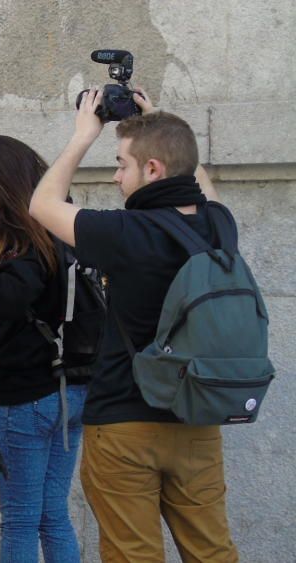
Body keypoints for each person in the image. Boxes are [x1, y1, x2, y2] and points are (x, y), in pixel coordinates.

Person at [29, 88, 239, 562]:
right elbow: (199, 185)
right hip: (198, 420)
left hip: (125, 423)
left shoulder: (124, 231)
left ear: (152, 170)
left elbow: (41, 204)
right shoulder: (219, 226)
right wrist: (159, 123)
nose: (116, 175)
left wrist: (85, 134)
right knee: (213, 552)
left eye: (122, 164)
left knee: (133, 554)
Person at [0, 136, 87, 562]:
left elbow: (11, 293)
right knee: (53, 515)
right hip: (73, 389)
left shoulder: (17, 224)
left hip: (28, 393)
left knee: (22, 519)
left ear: (2, 183)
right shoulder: (63, 216)